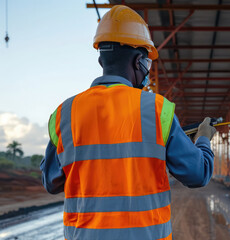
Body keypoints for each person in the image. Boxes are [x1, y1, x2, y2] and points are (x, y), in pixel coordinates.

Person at [40, 5, 216, 240]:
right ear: (138, 61)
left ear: (102, 58)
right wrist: (203, 137)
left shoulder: (64, 113)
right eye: (147, 64)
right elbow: (198, 174)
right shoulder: (157, 110)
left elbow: (50, 182)